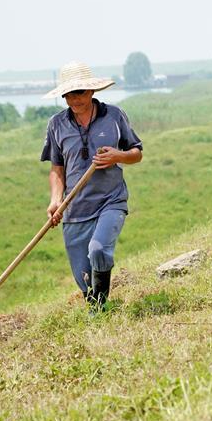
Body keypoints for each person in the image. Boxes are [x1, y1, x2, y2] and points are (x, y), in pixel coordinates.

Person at [40, 61, 143, 309]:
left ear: (92, 90)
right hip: (75, 209)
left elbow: (136, 153)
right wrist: (55, 201)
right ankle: (97, 310)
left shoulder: (114, 116)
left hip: (111, 201)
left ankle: (100, 310)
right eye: (68, 94)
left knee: (98, 250)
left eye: (79, 92)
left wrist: (118, 156)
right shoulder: (56, 124)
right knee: (84, 277)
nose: (74, 99)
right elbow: (57, 169)